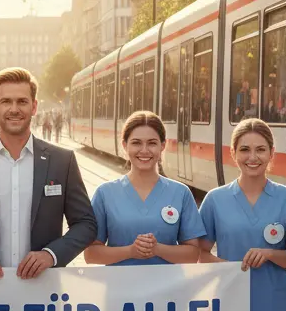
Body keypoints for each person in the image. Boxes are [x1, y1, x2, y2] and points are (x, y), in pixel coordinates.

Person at [0, 67, 97, 280]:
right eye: (6, 102)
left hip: (43, 288)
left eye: (22, 101)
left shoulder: (62, 161)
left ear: (34, 106)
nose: (14, 109)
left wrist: (51, 255)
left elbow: (86, 224)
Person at [198, 118, 286, 311]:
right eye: (244, 149)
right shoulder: (215, 200)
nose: (252, 157)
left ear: (271, 153)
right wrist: (229, 267)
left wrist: (269, 254)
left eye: (260, 149)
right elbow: (199, 254)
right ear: (233, 153)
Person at [85, 111, 204, 266]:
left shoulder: (181, 193)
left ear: (163, 146)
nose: (144, 150)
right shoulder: (105, 194)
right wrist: (130, 251)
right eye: (136, 143)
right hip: (119, 282)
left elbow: (193, 255)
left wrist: (157, 249)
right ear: (124, 145)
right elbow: (91, 254)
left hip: (168, 282)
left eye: (152, 143)